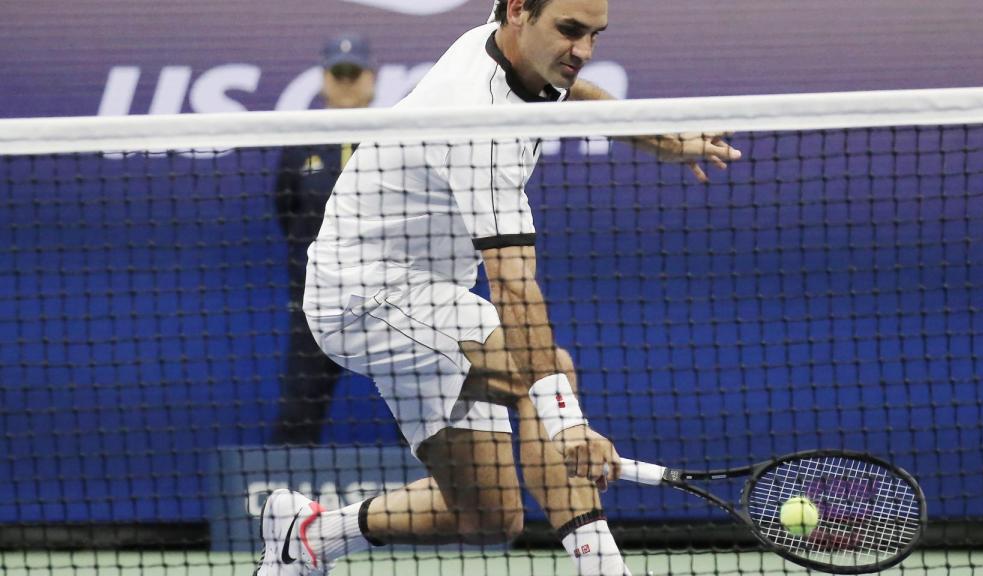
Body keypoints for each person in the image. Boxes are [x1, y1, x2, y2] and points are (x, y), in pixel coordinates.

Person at [256, 1, 740, 575]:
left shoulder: (515, 51)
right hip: (361, 293)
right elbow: (513, 285)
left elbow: (570, 92)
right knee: (544, 371)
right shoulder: (477, 122)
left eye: (594, 35)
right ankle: (605, 568)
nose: (582, 51)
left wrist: (660, 138)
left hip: (435, 300)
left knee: (485, 516)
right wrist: (567, 425)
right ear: (518, 13)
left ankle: (309, 535)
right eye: (569, 31)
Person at [272, 34, 377, 445]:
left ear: (372, 77)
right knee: (297, 413)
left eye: (355, 73)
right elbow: (287, 211)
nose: (347, 81)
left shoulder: (397, 137)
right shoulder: (300, 143)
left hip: (390, 299)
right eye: (339, 73)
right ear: (324, 78)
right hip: (318, 304)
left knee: (426, 413)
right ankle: (285, 506)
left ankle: (440, 504)